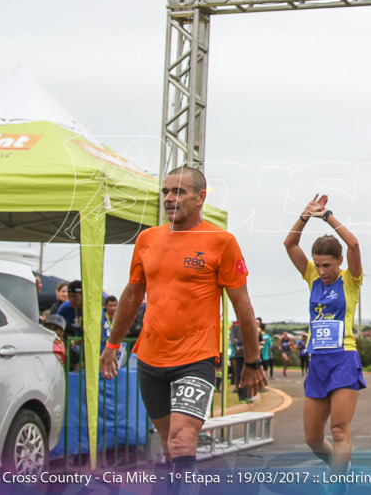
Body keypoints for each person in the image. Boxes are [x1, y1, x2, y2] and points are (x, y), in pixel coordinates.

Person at [99, 166, 265, 489]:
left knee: (182, 440)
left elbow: (242, 305)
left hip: (195, 358)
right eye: (165, 192)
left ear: (201, 197)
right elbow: (133, 294)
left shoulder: (221, 241)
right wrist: (112, 345)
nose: (169, 199)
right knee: (168, 445)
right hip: (150, 359)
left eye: (179, 192)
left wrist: (252, 360)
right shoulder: (147, 239)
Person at [284, 193, 364, 474]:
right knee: (313, 439)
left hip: (343, 358)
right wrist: (305, 215)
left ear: (339, 261)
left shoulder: (350, 280)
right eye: (317, 264)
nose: (321, 270)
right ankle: (341, 468)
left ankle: (337, 483)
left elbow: (353, 242)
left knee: (340, 432)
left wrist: (326, 215)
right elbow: (289, 244)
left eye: (326, 265)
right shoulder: (311, 276)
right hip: (318, 360)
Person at [230, 321, 249, 401]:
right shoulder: (234, 325)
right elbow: (232, 338)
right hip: (239, 354)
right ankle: (241, 395)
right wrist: (237, 344)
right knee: (239, 374)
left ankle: (246, 394)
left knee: (247, 374)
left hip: (247, 353)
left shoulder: (248, 324)